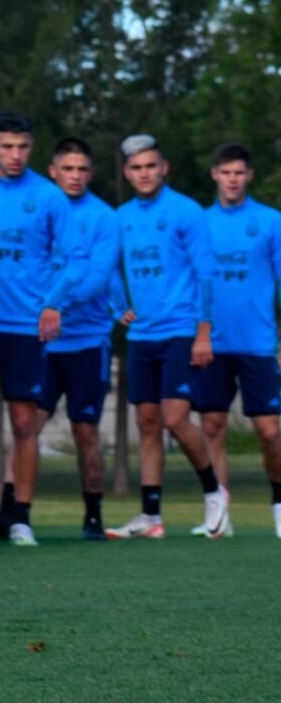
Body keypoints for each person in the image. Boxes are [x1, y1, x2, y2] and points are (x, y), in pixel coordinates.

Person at [0, 111, 83, 548]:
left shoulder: (49, 197)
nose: (15, 155)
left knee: (25, 421)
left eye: (23, 147)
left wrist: (53, 303)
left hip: (25, 326)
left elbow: (76, 259)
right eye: (7, 146)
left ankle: (21, 517)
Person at [105, 134, 229, 540]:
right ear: (127, 173)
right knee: (147, 422)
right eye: (136, 168)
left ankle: (214, 493)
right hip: (142, 335)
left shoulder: (186, 211)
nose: (144, 174)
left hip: (181, 330)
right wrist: (117, 304)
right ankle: (150, 516)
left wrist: (203, 333)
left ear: (164, 168)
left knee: (175, 419)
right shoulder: (121, 217)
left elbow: (206, 275)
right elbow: (107, 266)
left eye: (150, 166)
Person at [28, 138, 119, 541]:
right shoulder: (37, 208)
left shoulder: (104, 218)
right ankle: (18, 513)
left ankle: (93, 516)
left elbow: (97, 278)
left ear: (91, 174)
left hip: (87, 342)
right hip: (41, 344)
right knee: (26, 425)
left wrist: (54, 305)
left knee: (85, 429)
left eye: (82, 169)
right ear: (53, 171)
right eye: (68, 169)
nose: (75, 176)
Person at [194, 143, 281, 538]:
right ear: (215, 174)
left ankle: (278, 503)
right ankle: (219, 514)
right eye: (226, 172)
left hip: (258, 344)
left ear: (249, 176)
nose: (232, 180)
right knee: (212, 426)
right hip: (211, 343)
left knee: (269, 431)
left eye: (239, 173)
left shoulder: (270, 221)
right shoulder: (200, 222)